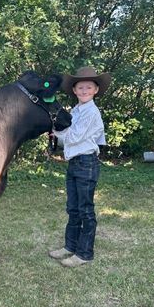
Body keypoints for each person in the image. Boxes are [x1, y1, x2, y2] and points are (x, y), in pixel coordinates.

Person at [48, 66, 111, 267]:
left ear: (96, 90)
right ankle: (70, 246)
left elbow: (74, 137)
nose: (84, 91)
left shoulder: (92, 113)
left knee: (85, 210)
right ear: (74, 90)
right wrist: (57, 134)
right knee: (73, 208)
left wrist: (57, 133)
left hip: (86, 163)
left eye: (88, 87)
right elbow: (67, 135)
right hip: (75, 162)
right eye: (80, 88)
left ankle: (84, 254)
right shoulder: (76, 111)